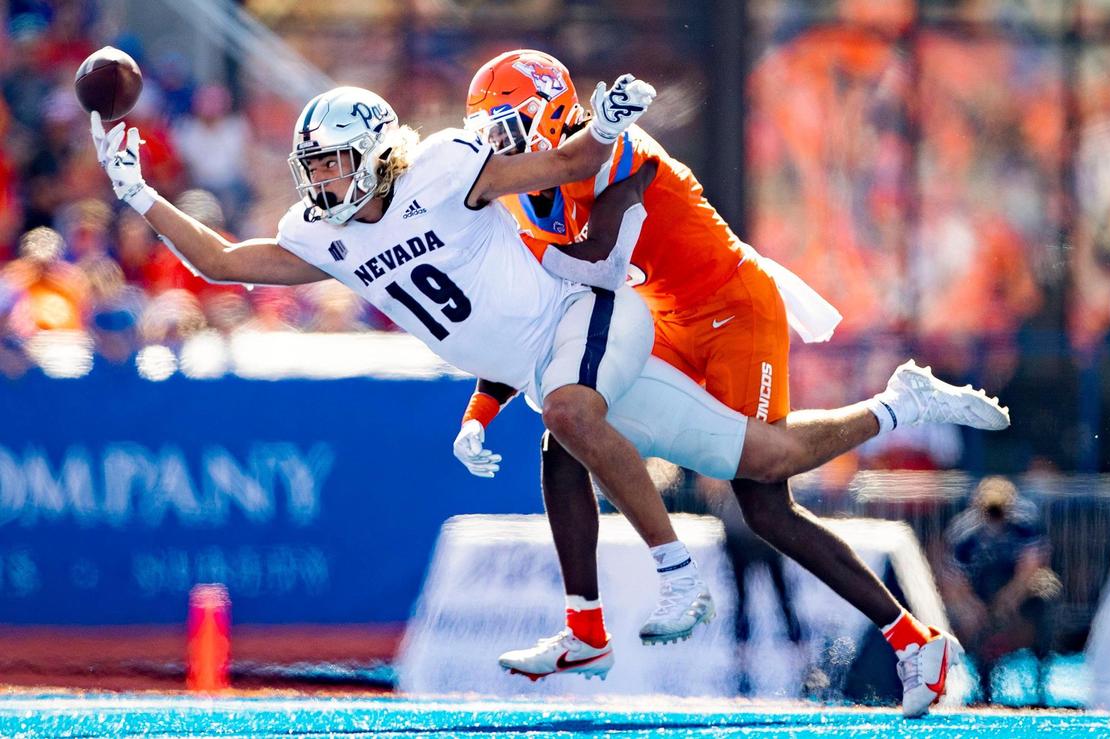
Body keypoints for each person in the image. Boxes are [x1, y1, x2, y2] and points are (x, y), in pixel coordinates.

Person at [88, 74, 729, 673]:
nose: (321, 184)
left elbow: (565, 164)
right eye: (313, 169)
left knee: (567, 418)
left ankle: (678, 575)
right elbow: (222, 262)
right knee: (570, 457)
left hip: (579, 313)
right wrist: (138, 192)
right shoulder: (324, 235)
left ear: (371, 153)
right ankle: (588, 635)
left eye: (333, 165)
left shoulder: (443, 170)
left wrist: (607, 125)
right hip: (529, 364)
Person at [455, 50, 1010, 718]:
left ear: (550, 107)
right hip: (660, 317)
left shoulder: (612, 146)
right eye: (489, 129)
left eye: (507, 125)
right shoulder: (529, 191)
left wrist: (521, 254)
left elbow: (596, 258)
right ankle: (584, 625)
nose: (498, 144)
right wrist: (482, 407)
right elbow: (544, 324)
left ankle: (898, 419)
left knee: (764, 499)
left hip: (729, 308)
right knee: (565, 432)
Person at [942, 476, 1060, 705]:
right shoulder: (965, 533)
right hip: (981, 591)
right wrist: (972, 607)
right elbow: (956, 580)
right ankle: (984, 682)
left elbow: (1032, 566)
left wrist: (1010, 598)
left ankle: (1041, 671)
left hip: (1021, 587)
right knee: (968, 618)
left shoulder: (1025, 525)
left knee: (1048, 592)